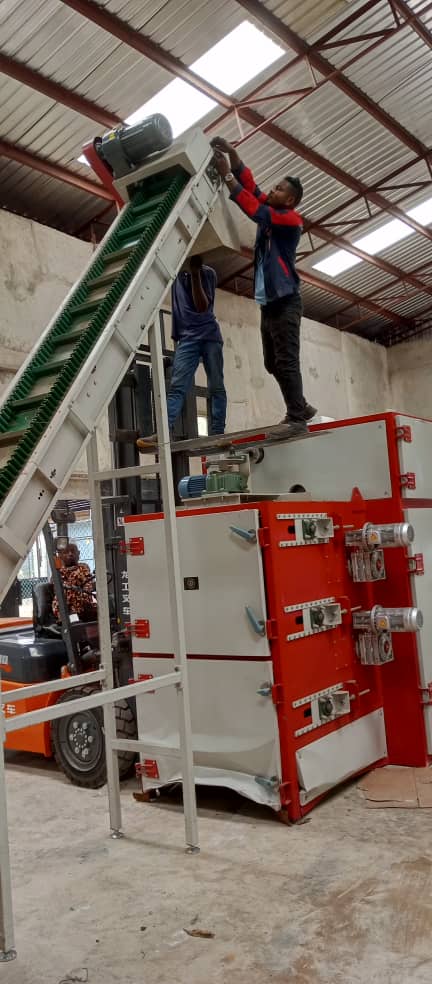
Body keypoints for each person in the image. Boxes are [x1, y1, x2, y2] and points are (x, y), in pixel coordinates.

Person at [211, 137, 316, 439]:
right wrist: (233, 155)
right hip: (269, 303)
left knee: (286, 360)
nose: (272, 190)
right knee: (272, 363)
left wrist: (226, 176)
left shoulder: (290, 219)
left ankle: (296, 418)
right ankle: (301, 406)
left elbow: (254, 208)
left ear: (290, 200)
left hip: (286, 301)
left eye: (279, 189)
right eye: (275, 187)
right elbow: (251, 187)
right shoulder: (273, 209)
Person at [137, 256, 227, 446]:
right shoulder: (174, 275)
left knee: (216, 386)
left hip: (209, 336)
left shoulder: (207, 273)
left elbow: (202, 306)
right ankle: (163, 432)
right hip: (187, 339)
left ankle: (218, 433)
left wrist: (195, 274)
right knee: (177, 387)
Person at [52, 543, 97, 623]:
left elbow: (89, 584)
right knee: (74, 620)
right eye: (66, 552)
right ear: (60, 556)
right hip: (67, 608)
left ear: (78, 554)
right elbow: (61, 590)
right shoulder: (58, 572)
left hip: (86, 606)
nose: (70, 554)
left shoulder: (84, 567)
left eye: (73, 551)